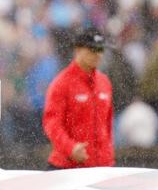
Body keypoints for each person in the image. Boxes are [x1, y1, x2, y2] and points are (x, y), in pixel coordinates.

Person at [43, 27, 115, 170]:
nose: (97, 55)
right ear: (77, 50)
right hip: (67, 167)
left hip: (101, 167)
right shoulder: (62, 83)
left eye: (100, 50)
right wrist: (70, 148)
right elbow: (52, 123)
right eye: (92, 49)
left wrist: (108, 156)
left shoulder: (104, 82)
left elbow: (107, 125)